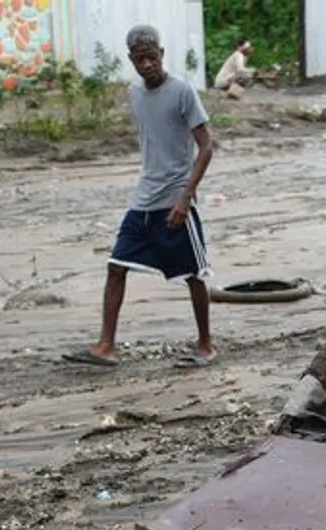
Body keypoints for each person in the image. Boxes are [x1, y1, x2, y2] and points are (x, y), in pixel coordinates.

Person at [64, 24, 216, 368]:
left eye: (152, 57)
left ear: (161, 55)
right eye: (139, 59)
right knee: (116, 267)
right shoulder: (135, 94)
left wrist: (186, 197)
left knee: (193, 275)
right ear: (131, 60)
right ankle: (105, 346)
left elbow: (206, 146)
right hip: (143, 202)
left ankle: (206, 345)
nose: (147, 64)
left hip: (175, 202)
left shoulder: (182, 92)